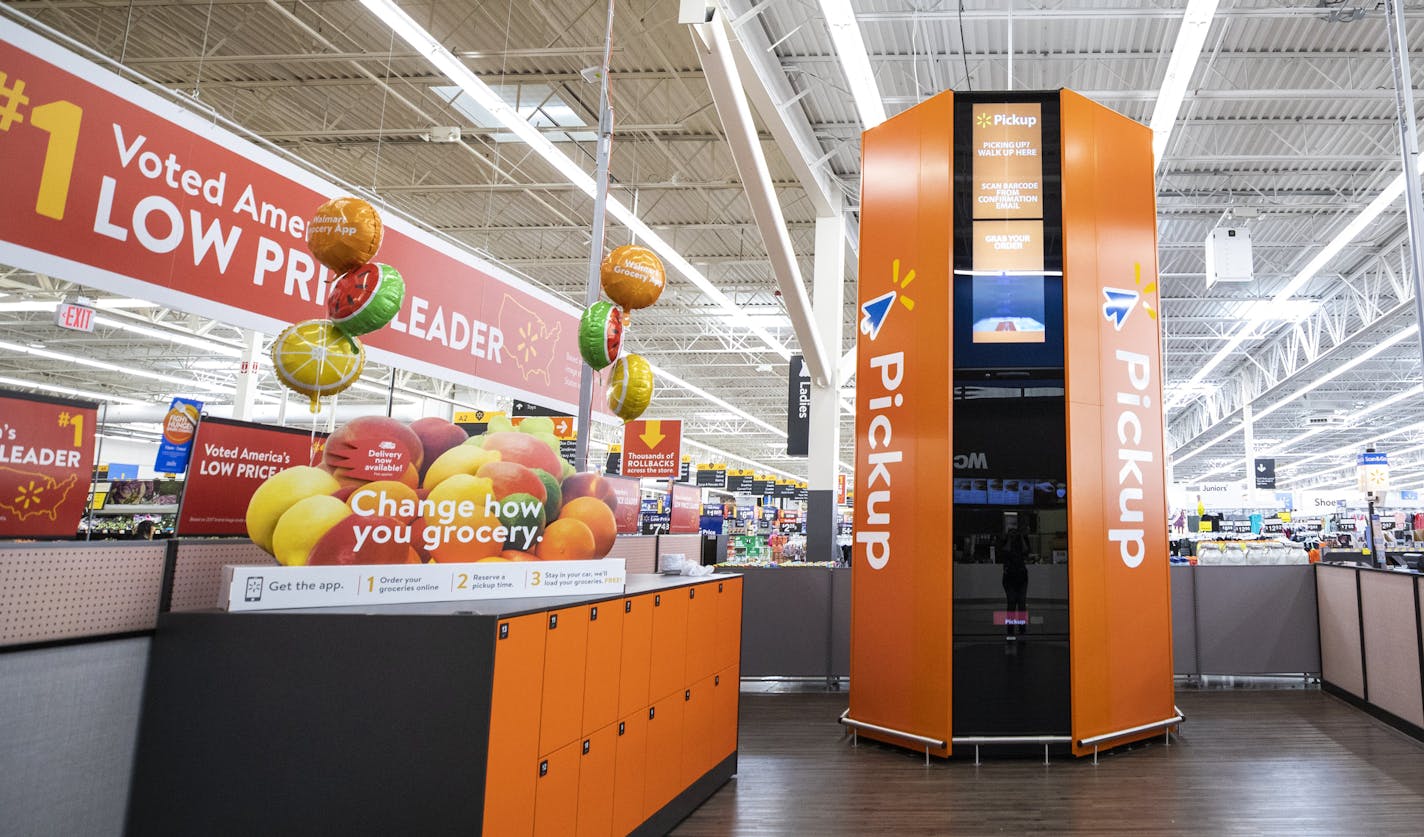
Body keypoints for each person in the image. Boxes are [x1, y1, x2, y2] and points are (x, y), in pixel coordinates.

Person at [1000, 527, 1030, 639]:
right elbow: (1005, 551)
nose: (1014, 535)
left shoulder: (1021, 542)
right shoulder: (1005, 542)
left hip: (1021, 577)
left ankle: (1022, 629)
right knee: (1011, 603)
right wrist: (1008, 539)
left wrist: (1021, 537)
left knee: (1021, 605)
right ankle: (1010, 629)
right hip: (1010, 577)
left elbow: (1026, 551)